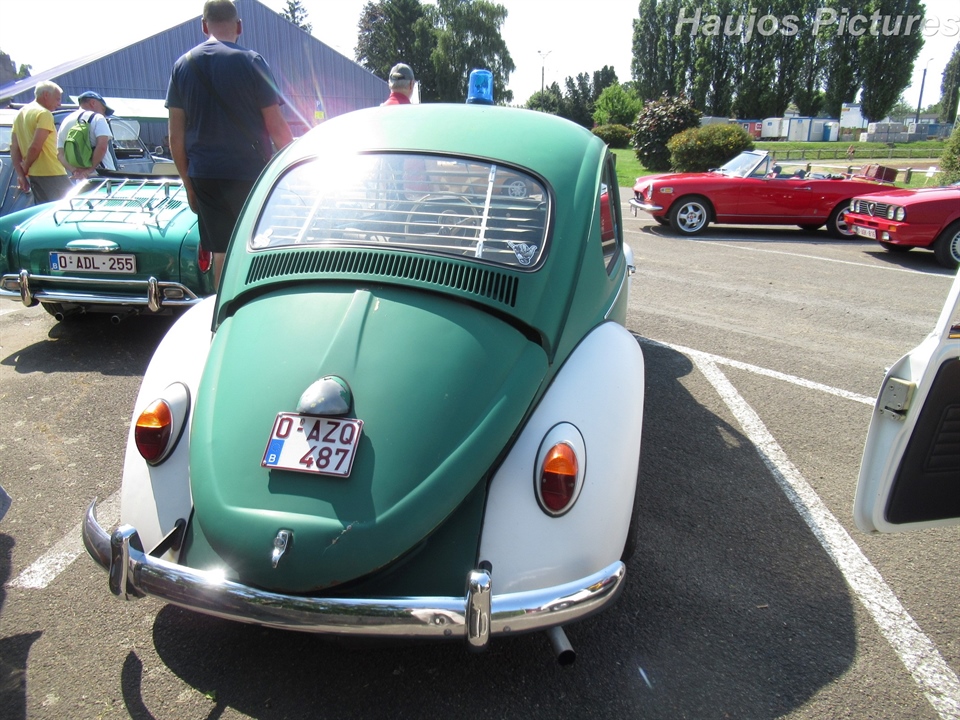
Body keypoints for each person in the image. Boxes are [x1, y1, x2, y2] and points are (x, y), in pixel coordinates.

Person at [166, 0, 292, 287]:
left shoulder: (182, 66)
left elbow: (175, 137)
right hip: (250, 174)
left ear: (203, 26)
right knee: (259, 248)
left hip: (204, 174)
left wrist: (188, 184)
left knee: (221, 253)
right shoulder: (252, 61)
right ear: (239, 26)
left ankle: (222, 310)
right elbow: (277, 128)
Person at [10, 81, 72, 204]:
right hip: (52, 172)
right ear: (46, 95)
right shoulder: (44, 113)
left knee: (45, 210)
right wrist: (25, 167)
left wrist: (21, 174)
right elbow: (35, 146)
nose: (59, 104)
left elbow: (14, 147)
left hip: (35, 174)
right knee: (68, 207)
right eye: (57, 99)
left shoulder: (20, 113)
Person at [57, 90, 116, 179]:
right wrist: (89, 170)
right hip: (103, 176)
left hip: (80, 179)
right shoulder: (97, 118)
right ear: (93, 103)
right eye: (103, 109)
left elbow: (60, 154)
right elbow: (102, 146)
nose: (104, 114)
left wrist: (75, 171)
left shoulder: (65, 121)